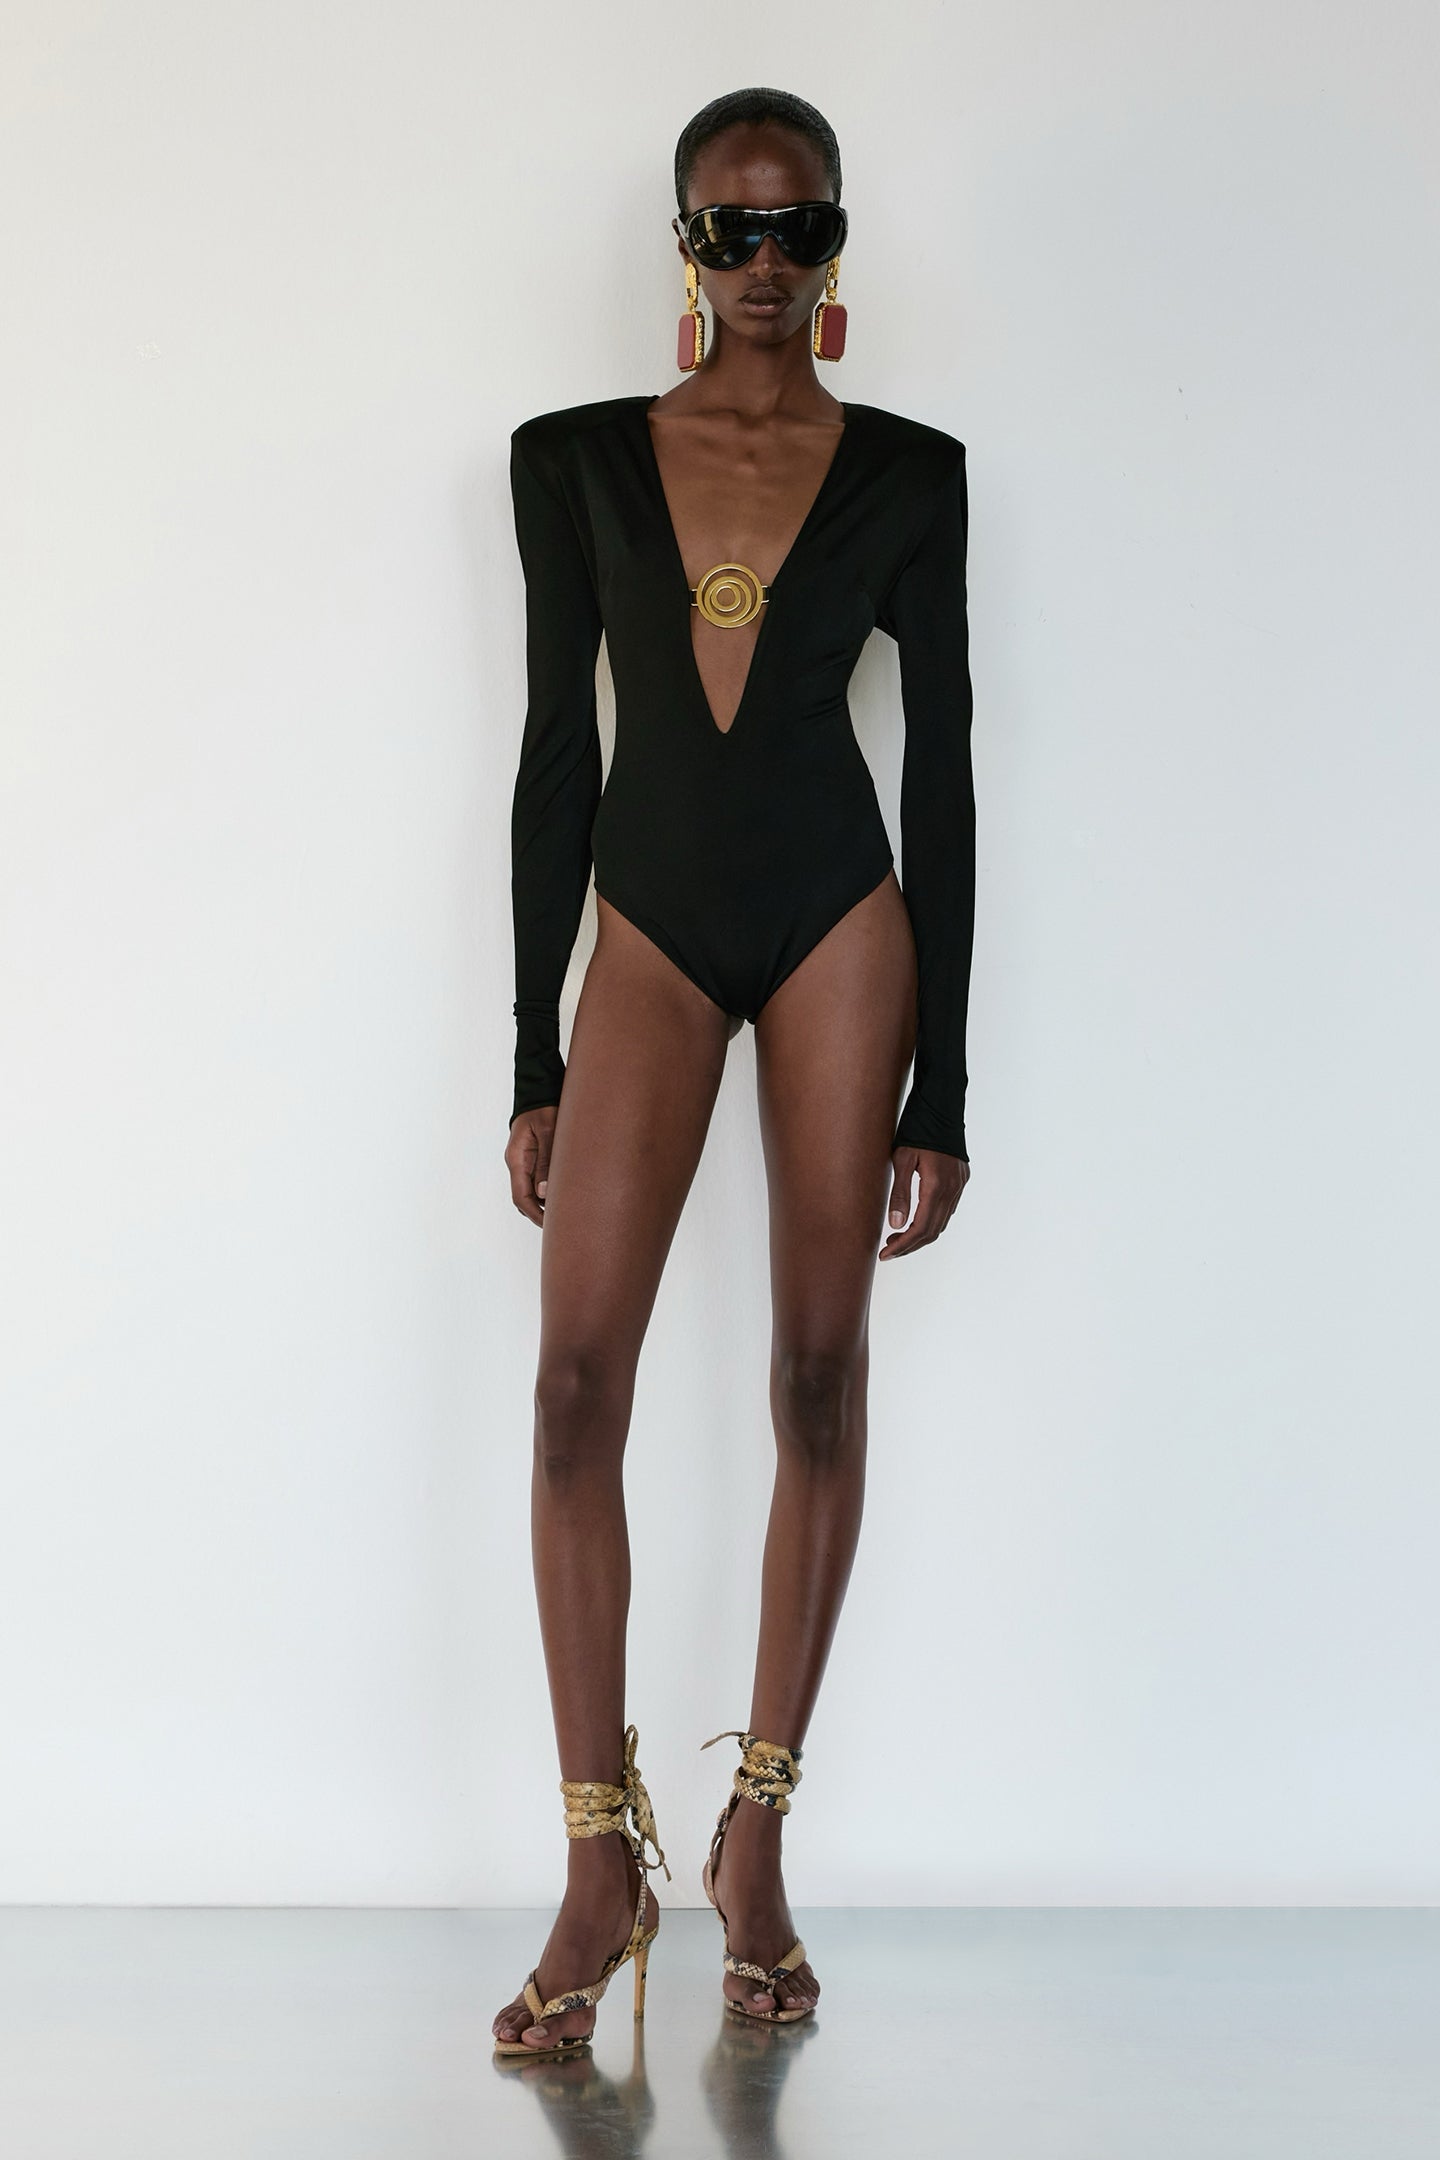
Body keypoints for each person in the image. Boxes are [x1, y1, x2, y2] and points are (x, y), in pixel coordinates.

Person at [492, 85, 976, 2058]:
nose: (766, 263)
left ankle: (756, 1842)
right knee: (571, 1393)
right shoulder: (574, 464)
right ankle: (598, 1867)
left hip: (842, 924)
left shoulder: (914, 475)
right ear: (684, 249)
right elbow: (556, 756)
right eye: (731, 230)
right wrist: (532, 1046)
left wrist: (945, 1088)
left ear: (834, 242)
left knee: (816, 1375)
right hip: (652, 933)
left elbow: (945, 776)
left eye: (799, 228)